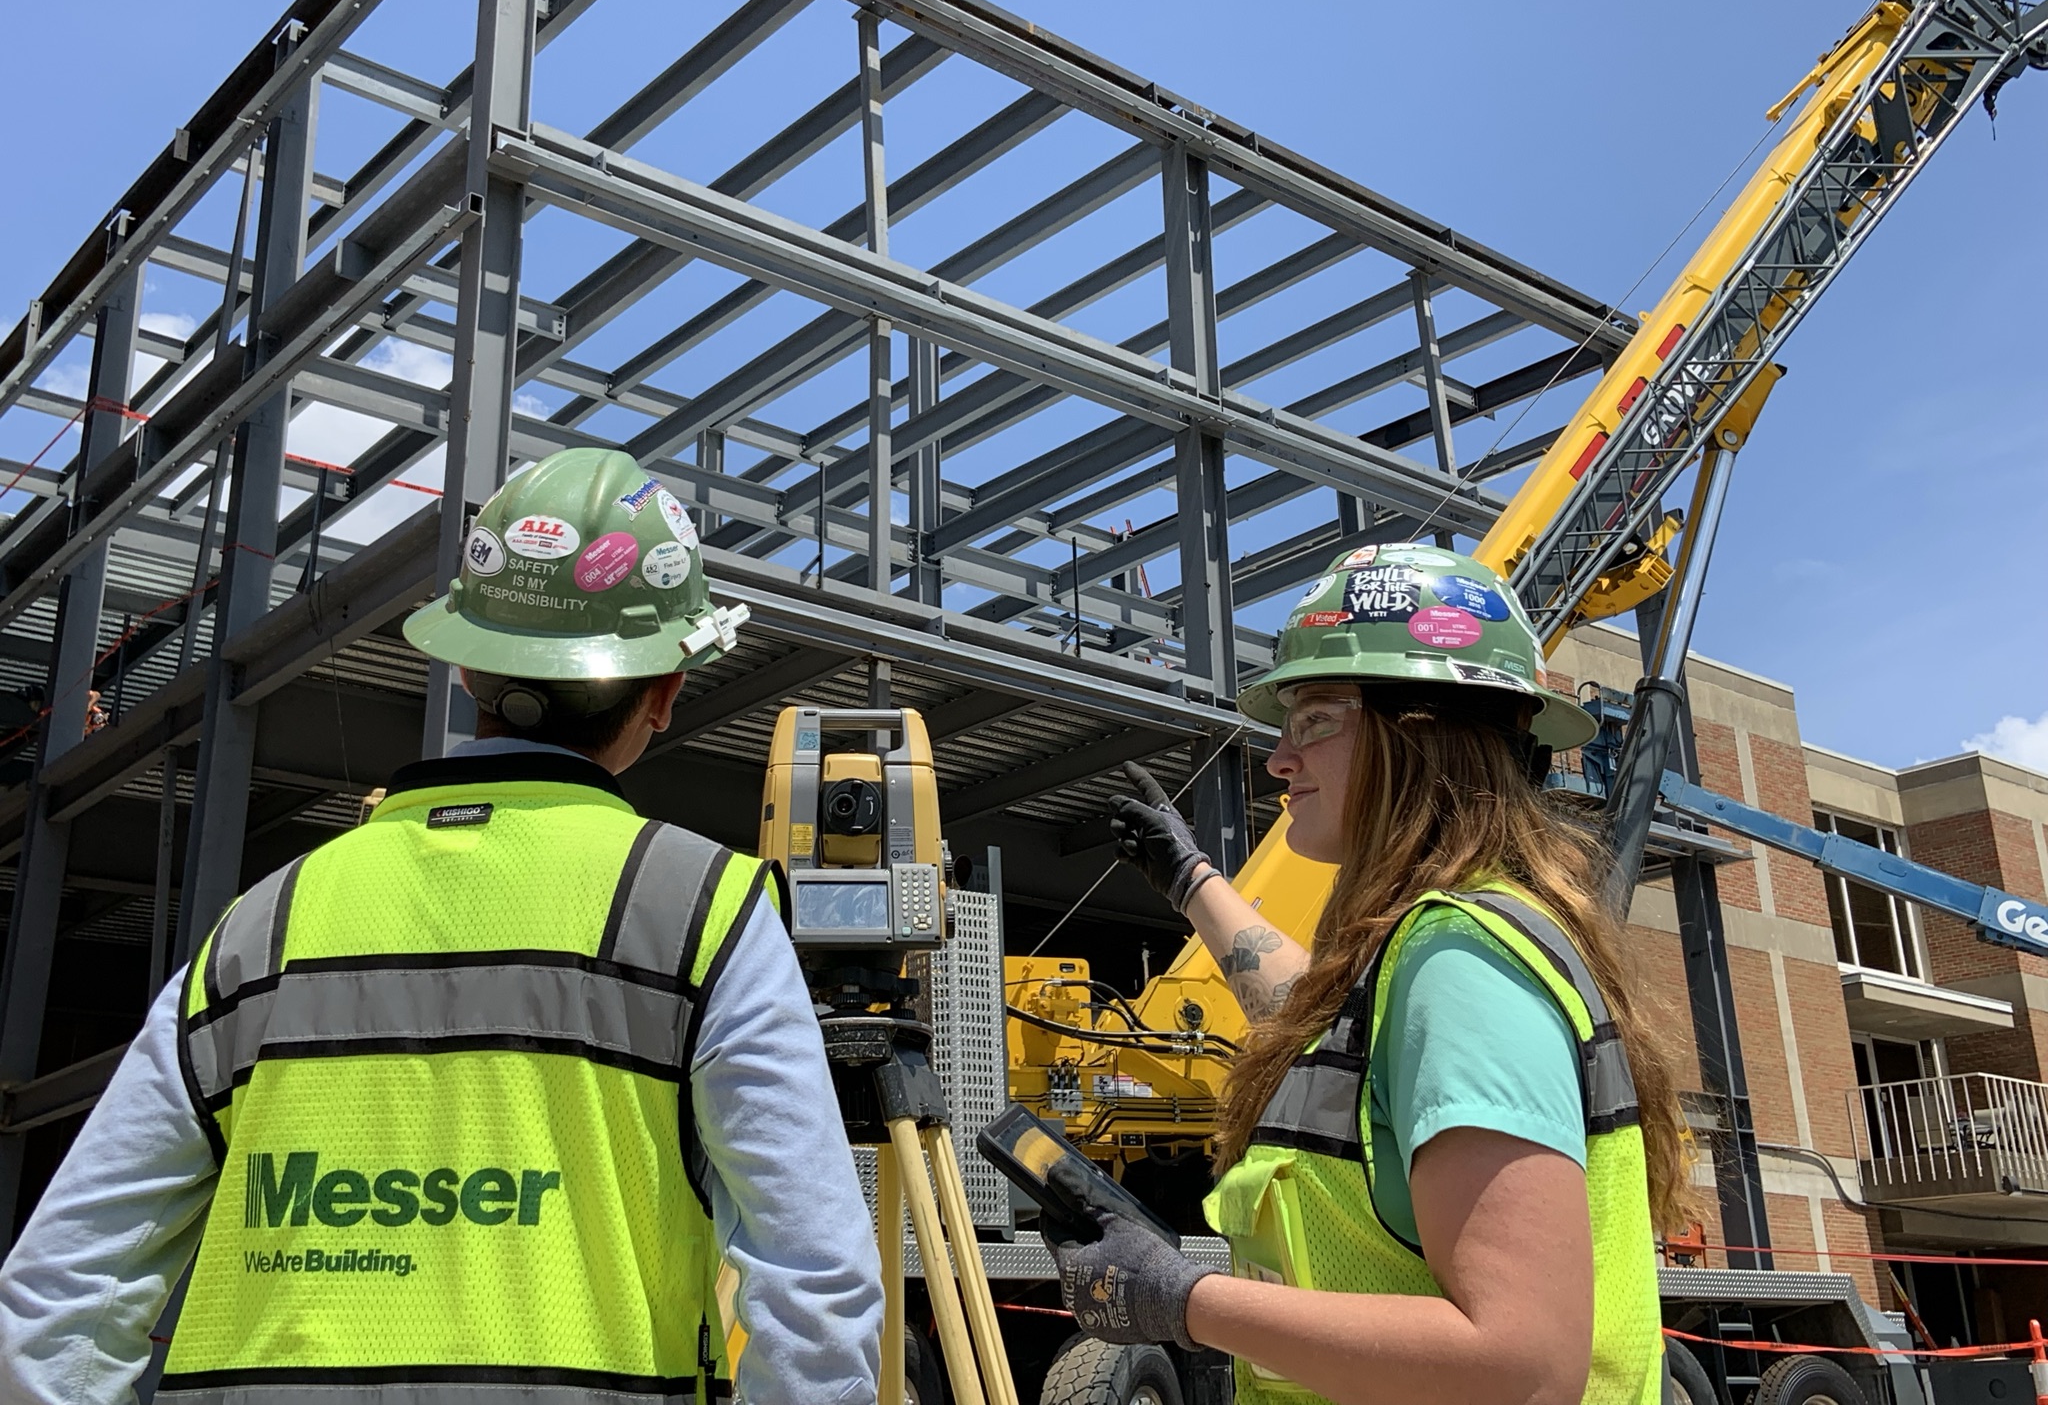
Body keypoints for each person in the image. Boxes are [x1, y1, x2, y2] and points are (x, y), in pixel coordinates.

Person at [0, 448, 883, 1405]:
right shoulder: (705, 910)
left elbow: (64, 1289)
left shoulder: (259, 926)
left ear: (462, 664)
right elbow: (814, 1277)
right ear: (665, 688)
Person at [1054, 543, 1688, 1405]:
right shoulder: (1445, 947)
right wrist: (1191, 881)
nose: (1279, 759)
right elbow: (1313, 1020)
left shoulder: (1462, 962)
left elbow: (1521, 1363)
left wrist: (1184, 1300)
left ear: (1418, 729)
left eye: (1314, 718)